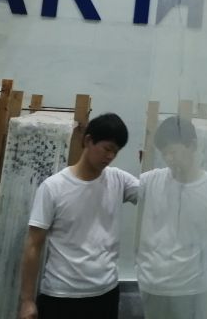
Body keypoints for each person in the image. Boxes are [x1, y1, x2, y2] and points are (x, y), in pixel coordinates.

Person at [19, 113, 139, 319]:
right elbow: (33, 245)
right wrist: (27, 300)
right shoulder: (53, 187)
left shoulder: (119, 180)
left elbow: (156, 194)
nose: (110, 156)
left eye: (116, 152)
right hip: (61, 295)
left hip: (106, 293)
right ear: (88, 140)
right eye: (107, 148)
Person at [136, 116, 207, 319]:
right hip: (151, 286)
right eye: (164, 154)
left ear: (193, 146)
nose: (169, 159)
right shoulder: (151, 181)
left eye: (173, 152)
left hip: (192, 289)